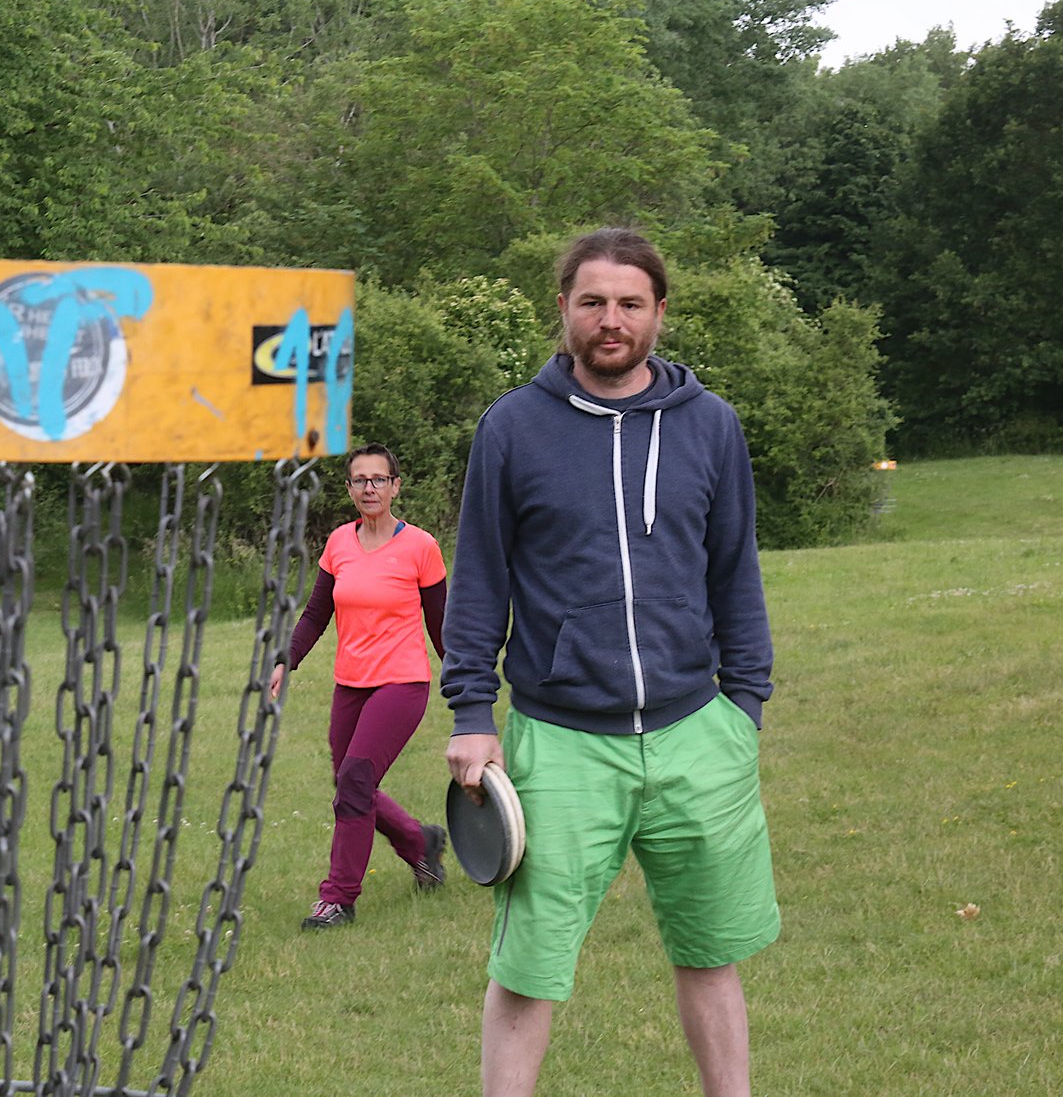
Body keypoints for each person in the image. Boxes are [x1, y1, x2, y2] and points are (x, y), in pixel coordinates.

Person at [440, 228, 779, 1096]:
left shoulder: (711, 426)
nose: (610, 319)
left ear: (659, 312)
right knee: (530, 964)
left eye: (630, 302)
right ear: (564, 310)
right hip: (562, 741)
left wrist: (744, 708)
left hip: (696, 732)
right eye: (592, 302)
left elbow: (734, 569)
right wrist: (472, 714)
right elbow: (479, 577)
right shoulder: (512, 428)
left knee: (711, 951)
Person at [272, 444, 450, 930]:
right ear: (349, 489)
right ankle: (420, 843)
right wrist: (284, 659)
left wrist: (464, 678)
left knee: (354, 781)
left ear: (395, 486)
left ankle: (338, 899)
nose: (369, 488)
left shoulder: (421, 547)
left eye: (378, 479)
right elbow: (315, 614)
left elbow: (440, 624)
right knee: (353, 784)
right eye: (359, 480)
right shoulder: (338, 544)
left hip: (402, 682)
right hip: (350, 683)